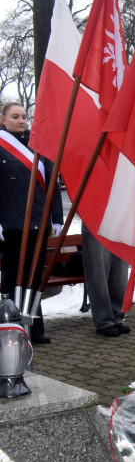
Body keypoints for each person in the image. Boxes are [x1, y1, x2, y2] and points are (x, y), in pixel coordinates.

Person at [0, 102, 63, 344]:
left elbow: (52, 185)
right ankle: (11, 326)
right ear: (3, 120)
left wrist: (56, 218)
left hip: (38, 222)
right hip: (12, 226)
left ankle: (35, 327)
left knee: (34, 279)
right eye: (15, 117)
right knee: (13, 277)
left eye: (24, 116)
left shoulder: (39, 145)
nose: (21, 120)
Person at [81, 225, 130, 337]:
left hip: (119, 221)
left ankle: (117, 316)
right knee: (98, 274)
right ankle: (104, 321)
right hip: (95, 220)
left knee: (120, 275)